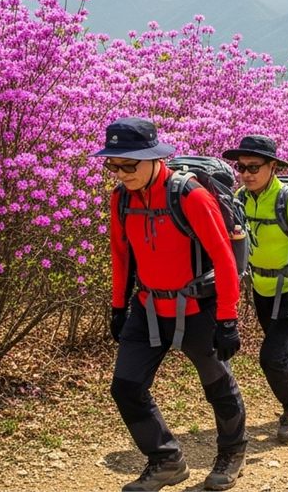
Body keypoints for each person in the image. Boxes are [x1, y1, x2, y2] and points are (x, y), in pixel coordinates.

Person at [95, 118, 247, 492]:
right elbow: (120, 254)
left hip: (198, 308)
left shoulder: (190, 196)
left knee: (218, 385)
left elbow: (224, 257)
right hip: (147, 308)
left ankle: (232, 451)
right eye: (113, 164)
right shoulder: (121, 198)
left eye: (129, 164)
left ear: (153, 159)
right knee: (126, 386)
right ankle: (166, 460)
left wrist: (228, 318)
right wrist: (118, 307)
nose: (121, 172)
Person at [223, 135, 288, 443]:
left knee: (272, 356)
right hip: (261, 289)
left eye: (254, 166)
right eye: (241, 167)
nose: (247, 173)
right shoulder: (241, 197)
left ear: (273, 167)